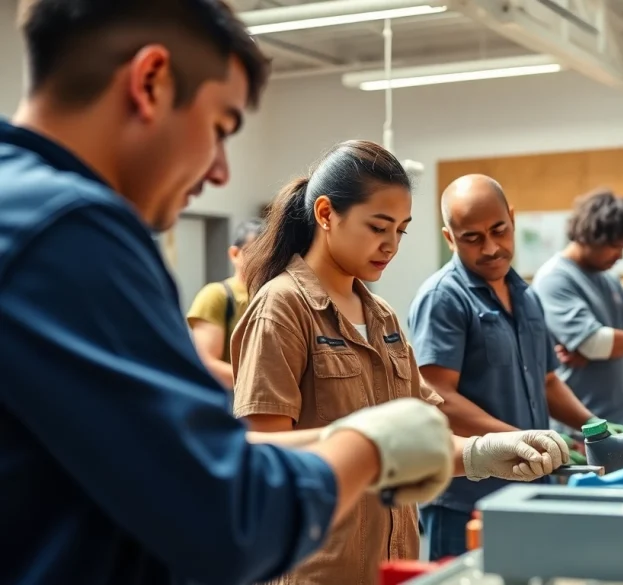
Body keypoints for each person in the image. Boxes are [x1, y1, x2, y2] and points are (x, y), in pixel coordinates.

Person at [0, 1, 460, 584]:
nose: (220, 171)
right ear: (150, 81)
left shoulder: (22, 207)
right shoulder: (70, 231)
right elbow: (229, 514)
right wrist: (369, 450)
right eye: (220, 128)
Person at [230, 144, 570, 585]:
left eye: (401, 231)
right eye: (378, 227)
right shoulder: (282, 308)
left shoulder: (383, 318)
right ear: (326, 213)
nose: (390, 245)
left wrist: (484, 452)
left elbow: (420, 439)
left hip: (394, 567)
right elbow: (263, 454)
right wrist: (364, 446)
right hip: (320, 570)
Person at [408, 174, 621, 560]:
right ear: (449, 238)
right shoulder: (443, 299)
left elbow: (548, 381)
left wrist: (593, 424)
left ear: (512, 218)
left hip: (532, 488)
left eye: (498, 230)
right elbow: (439, 398)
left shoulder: (526, 295)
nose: (491, 248)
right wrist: (524, 441)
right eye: (472, 238)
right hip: (468, 502)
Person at [531, 190, 623, 431]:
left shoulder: (607, 278)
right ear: (590, 236)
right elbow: (594, 343)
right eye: (615, 247)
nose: (620, 256)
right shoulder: (555, 278)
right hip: (583, 426)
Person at [187, 217, 265, 388]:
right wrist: (262, 384)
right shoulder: (215, 295)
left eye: (268, 253)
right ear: (235, 254)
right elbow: (207, 363)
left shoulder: (273, 295)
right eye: (255, 252)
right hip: (232, 397)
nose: (262, 260)